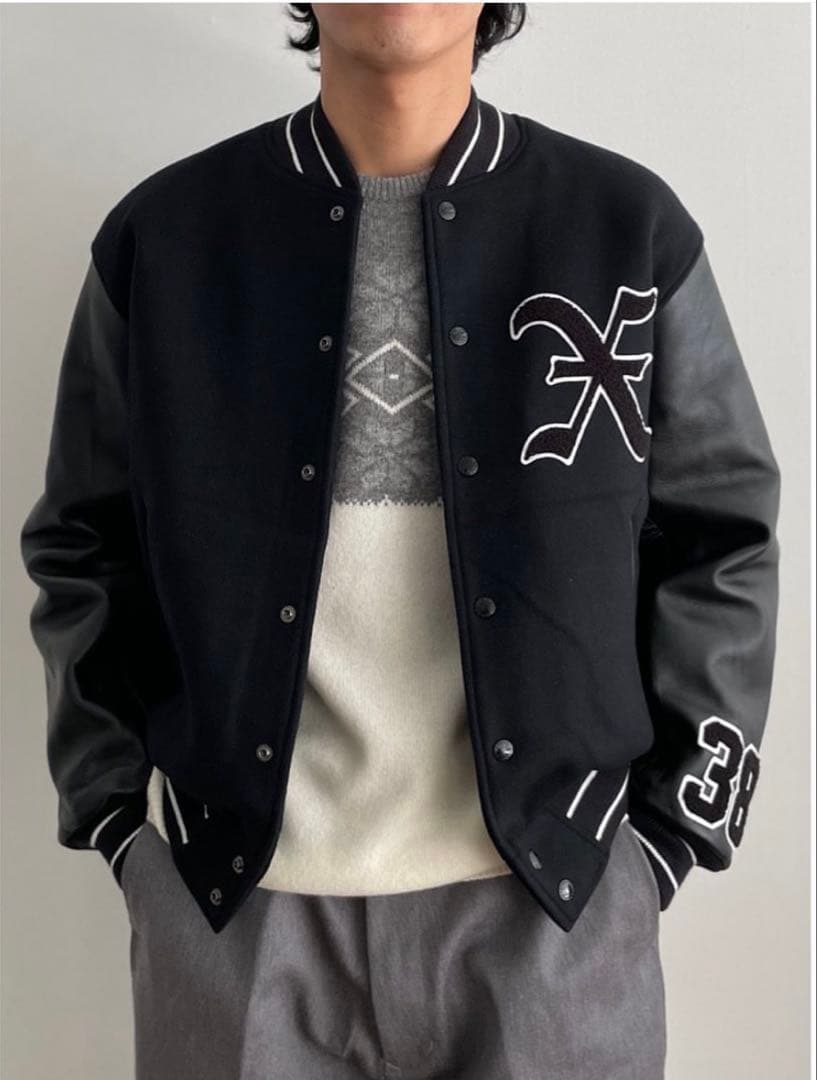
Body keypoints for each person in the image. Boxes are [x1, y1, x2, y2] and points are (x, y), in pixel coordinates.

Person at [20, 4, 781, 1078]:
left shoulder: (623, 228)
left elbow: (725, 533)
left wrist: (663, 842)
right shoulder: (166, 237)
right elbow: (81, 545)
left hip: (555, 909)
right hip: (233, 911)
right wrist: (116, 822)